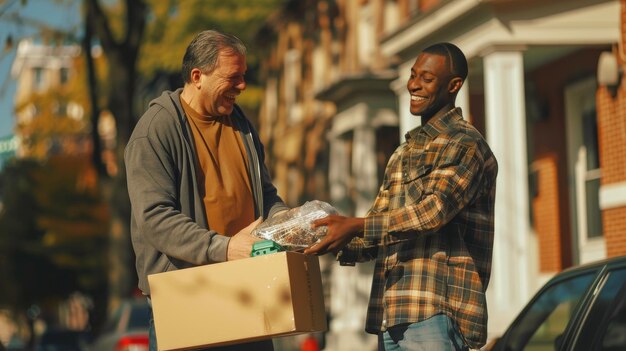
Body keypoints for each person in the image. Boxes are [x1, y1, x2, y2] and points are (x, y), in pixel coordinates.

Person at [305, 42, 498, 351]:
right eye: (412, 75)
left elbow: (433, 212)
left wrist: (354, 226)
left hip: (436, 312)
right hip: (391, 312)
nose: (414, 85)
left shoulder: (464, 144)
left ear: (454, 85)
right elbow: (375, 229)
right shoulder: (402, 153)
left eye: (426, 78)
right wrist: (321, 238)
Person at [125, 29, 288, 351]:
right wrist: (226, 249)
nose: (242, 86)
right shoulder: (156, 128)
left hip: (248, 290)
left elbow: (265, 193)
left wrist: (287, 221)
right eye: (233, 77)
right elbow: (155, 218)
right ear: (198, 76)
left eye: (244, 76)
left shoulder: (240, 123)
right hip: (187, 297)